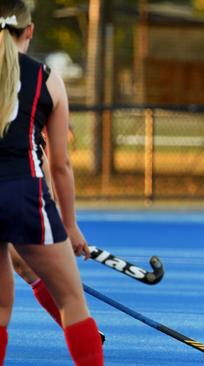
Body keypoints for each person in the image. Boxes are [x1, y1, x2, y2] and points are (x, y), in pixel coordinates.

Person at [0, 1, 104, 365]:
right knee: (73, 301)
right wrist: (71, 225)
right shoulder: (46, 78)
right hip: (24, 193)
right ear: (28, 32)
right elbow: (60, 164)